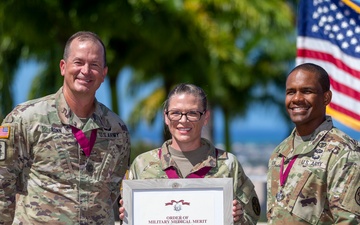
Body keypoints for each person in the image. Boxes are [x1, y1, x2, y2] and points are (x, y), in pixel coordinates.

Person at [0, 31, 131, 224]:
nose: (86, 70)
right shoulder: (26, 119)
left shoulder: (116, 129)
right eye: (78, 62)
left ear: (103, 73)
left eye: (94, 65)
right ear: (63, 67)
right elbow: (3, 183)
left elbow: (116, 192)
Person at [119, 83, 261, 224]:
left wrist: (238, 218)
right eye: (175, 113)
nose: (183, 120)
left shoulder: (228, 164)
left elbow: (252, 218)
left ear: (205, 117)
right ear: (166, 117)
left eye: (193, 113)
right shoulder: (142, 164)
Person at [267, 63, 360, 224]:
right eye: (291, 92)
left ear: (326, 98)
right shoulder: (280, 151)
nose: (296, 98)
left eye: (307, 91)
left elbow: (349, 222)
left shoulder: (344, 153)